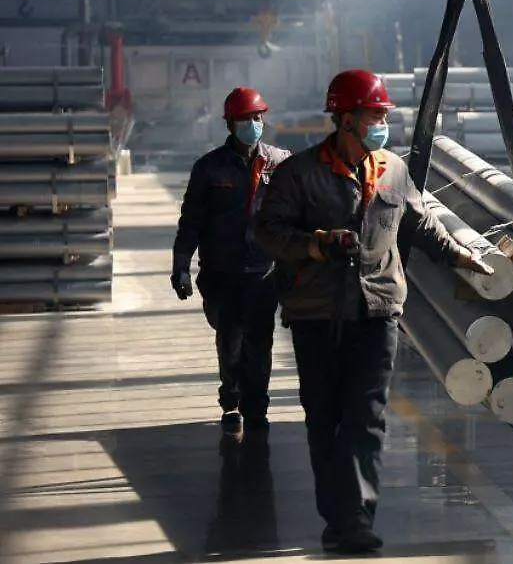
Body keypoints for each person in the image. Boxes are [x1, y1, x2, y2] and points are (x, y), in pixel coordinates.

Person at [254, 69, 494, 554]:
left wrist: (462, 255)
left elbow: (421, 223)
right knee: (325, 418)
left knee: (366, 416)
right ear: (345, 119)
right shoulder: (299, 174)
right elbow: (267, 232)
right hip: (317, 315)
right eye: (373, 116)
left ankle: (357, 519)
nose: (381, 124)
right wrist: (316, 244)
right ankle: (338, 518)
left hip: (378, 310)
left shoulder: (394, 169)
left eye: (383, 116)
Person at [172, 87, 291, 442]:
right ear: (230, 124)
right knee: (230, 339)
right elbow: (191, 222)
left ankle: (256, 407)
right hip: (221, 273)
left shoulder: (280, 163)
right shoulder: (209, 169)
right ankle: (232, 400)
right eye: (245, 119)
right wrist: (181, 265)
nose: (253, 123)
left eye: (257, 117)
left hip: (263, 272)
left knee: (260, 341)